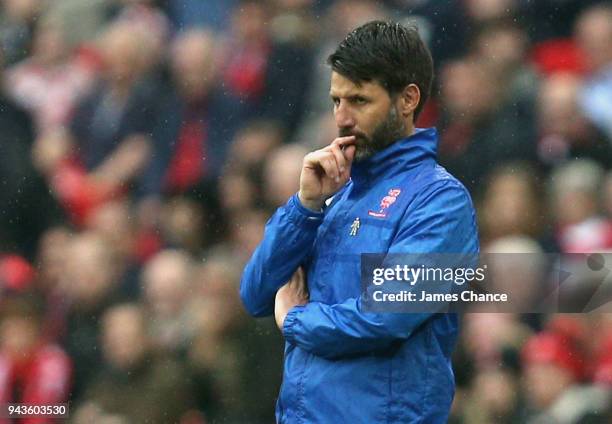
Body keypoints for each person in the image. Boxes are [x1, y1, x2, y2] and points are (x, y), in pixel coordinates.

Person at [240, 20, 479, 423]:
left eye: (359, 101)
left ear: (407, 100)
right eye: (336, 101)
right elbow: (255, 293)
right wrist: (304, 207)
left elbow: (385, 316)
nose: (342, 118)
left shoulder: (442, 201)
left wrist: (295, 320)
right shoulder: (333, 194)